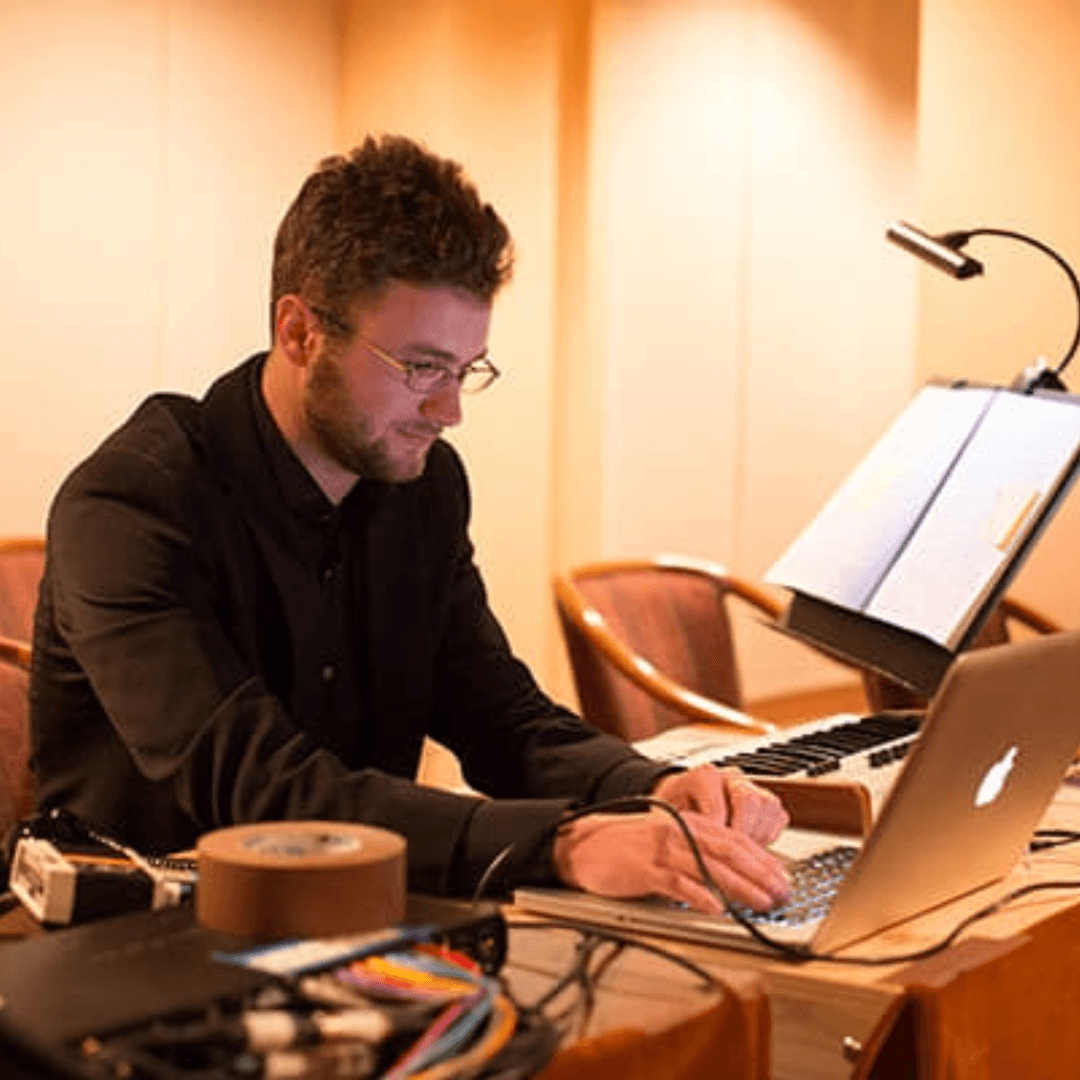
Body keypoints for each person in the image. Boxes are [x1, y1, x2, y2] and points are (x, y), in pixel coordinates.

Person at [29, 134, 791, 913]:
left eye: (466, 371)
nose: (449, 410)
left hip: (359, 919)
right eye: (422, 368)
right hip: (139, 941)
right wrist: (562, 844)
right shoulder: (131, 502)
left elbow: (499, 714)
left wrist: (653, 788)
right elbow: (263, 791)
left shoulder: (422, 488)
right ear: (300, 333)